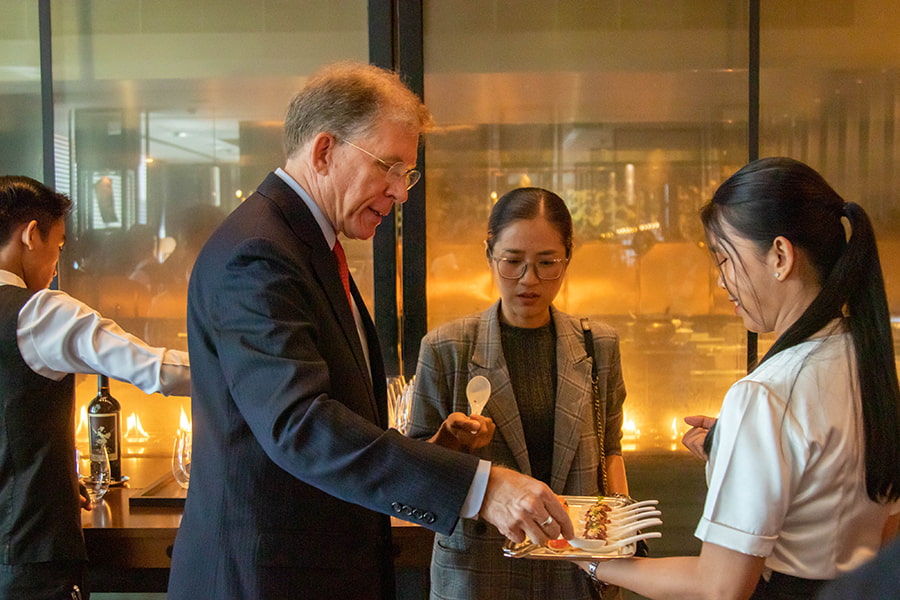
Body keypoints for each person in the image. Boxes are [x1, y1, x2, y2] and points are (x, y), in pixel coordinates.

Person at [166, 62, 574, 600]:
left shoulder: (305, 244)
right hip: (266, 577)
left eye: (408, 174)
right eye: (390, 167)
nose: (401, 193)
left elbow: (332, 418)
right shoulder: (259, 253)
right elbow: (300, 425)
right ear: (323, 151)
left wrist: (435, 450)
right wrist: (483, 486)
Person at [576, 157, 900, 599]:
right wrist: (733, 448)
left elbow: (720, 587)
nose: (722, 281)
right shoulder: (866, 363)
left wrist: (593, 560)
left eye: (726, 258)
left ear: (780, 256)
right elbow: (881, 528)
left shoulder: (765, 395)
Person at [407, 187, 629, 600]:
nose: (529, 280)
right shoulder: (446, 348)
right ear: (489, 254)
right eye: (512, 262)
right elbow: (414, 468)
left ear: (568, 258)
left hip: (575, 568)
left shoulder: (598, 345)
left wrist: (620, 541)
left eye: (547, 263)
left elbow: (610, 450)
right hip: (479, 569)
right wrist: (451, 443)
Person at [0, 175, 191, 600]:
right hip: (30, 561)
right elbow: (151, 367)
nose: (56, 263)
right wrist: (248, 370)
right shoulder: (37, 314)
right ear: (32, 235)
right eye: (60, 245)